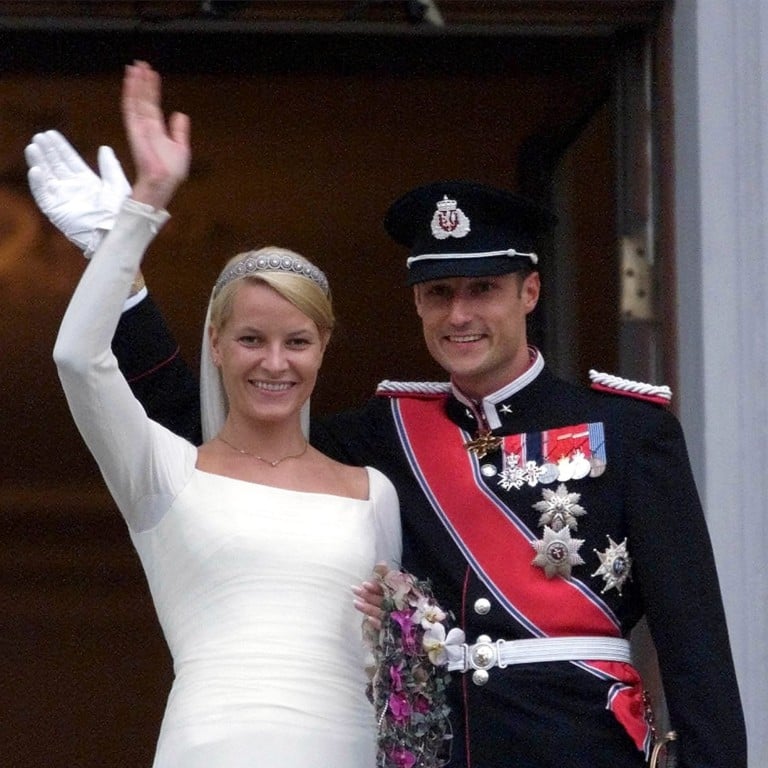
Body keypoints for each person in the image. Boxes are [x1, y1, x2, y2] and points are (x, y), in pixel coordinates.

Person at [29, 119, 746, 767]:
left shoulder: (628, 430)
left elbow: (697, 653)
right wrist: (121, 274)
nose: (459, 315)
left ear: (529, 292)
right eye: (439, 293)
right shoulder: (388, 433)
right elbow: (216, 430)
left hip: (582, 748)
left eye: (482, 289)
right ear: (416, 302)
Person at [32, 61, 401, 768]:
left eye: (297, 342)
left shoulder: (372, 492)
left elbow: (394, 663)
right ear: (216, 344)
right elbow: (78, 358)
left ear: (324, 347)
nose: (274, 363)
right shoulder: (162, 470)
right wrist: (137, 214)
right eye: (251, 339)